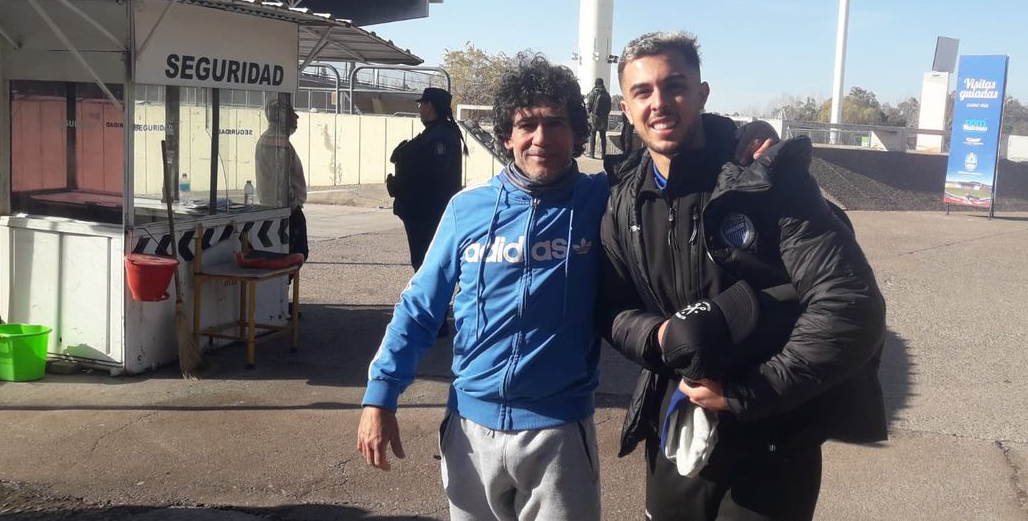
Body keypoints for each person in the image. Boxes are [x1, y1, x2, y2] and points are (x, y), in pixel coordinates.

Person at [596, 31, 887, 520]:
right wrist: (660, 335)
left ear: (703, 93)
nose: (660, 103)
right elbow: (610, 306)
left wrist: (747, 392)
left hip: (773, 432)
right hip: (678, 424)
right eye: (643, 92)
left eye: (676, 86)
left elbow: (850, 306)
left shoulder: (765, 179)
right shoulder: (623, 198)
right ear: (626, 108)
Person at [358, 59, 608, 521]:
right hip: (469, 433)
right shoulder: (466, 210)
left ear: (577, 131)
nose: (541, 138)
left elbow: (672, 168)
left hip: (559, 433)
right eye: (526, 124)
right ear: (506, 136)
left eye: (555, 122)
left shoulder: (602, 201)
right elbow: (419, 308)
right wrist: (380, 395)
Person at [389, 87, 465, 272]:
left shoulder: (440, 137)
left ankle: (430, 300)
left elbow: (432, 177)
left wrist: (401, 187)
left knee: (426, 263)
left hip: (427, 214)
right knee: (425, 261)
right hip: (421, 212)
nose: (420, 108)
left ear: (429, 105)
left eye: (421, 104)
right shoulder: (435, 134)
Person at [255, 96, 308, 259]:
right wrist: (293, 206)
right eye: (292, 113)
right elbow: (280, 181)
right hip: (285, 211)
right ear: (281, 117)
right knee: (294, 255)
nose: (296, 117)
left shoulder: (276, 139)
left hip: (283, 209)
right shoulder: (275, 141)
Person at [585, 77, 612, 158]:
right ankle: (603, 154)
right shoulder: (607, 94)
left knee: (593, 133)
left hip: (595, 117)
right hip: (604, 117)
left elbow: (589, 105)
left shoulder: (592, 93)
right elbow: (609, 107)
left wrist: (587, 114)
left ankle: (592, 153)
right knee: (603, 135)